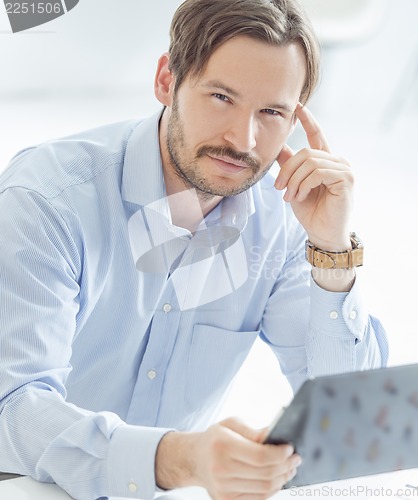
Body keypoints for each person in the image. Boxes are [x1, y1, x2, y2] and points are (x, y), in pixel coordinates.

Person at [0, 0, 388, 498]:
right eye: (222, 97)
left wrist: (331, 250)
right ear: (167, 80)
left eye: (271, 112)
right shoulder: (47, 201)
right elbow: (13, 407)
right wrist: (178, 459)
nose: (242, 139)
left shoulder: (283, 224)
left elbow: (352, 424)